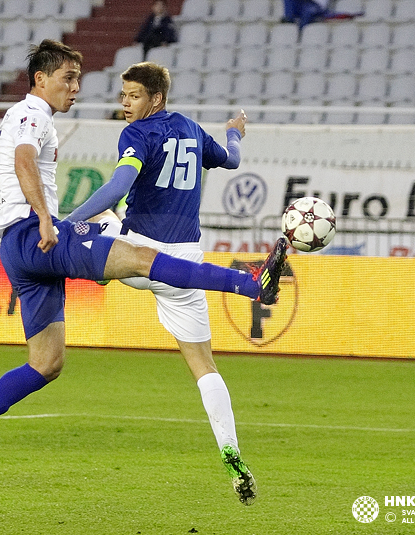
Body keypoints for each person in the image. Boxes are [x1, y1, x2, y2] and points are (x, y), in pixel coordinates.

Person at [0, 40, 288, 506]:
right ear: (41, 79)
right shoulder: (36, 114)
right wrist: (45, 217)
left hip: (17, 250)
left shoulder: (23, 116)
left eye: (78, 80)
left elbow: (4, 151)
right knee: (138, 257)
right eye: (68, 79)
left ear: (153, 98)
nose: (77, 88)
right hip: (37, 239)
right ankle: (250, 283)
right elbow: (20, 161)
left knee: (47, 363)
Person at [65, 61, 270, 506]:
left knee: (93, 224)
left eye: (133, 96)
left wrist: (67, 222)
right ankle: (230, 450)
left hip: (138, 254)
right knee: (204, 366)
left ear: (154, 98)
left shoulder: (138, 134)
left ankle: (90, 268)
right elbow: (232, 159)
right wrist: (235, 130)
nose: (124, 104)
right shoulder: (193, 129)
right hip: (186, 264)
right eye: (122, 96)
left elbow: (118, 186)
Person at [281, 0, 364, 33]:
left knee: (308, 12)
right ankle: (290, 19)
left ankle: (300, 33)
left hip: (316, 6)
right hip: (304, 3)